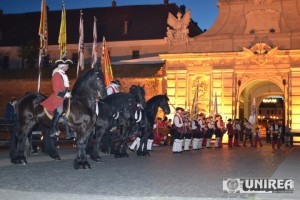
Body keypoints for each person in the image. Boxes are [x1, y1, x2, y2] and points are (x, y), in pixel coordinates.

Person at [41, 59, 72, 138]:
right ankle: (53, 128)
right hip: (57, 97)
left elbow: (65, 87)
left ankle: (68, 130)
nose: (68, 67)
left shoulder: (63, 75)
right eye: (67, 65)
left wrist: (69, 93)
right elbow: (56, 89)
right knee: (60, 110)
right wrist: (65, 94)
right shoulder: (57, 75)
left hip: (65, 97)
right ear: (62, 66)